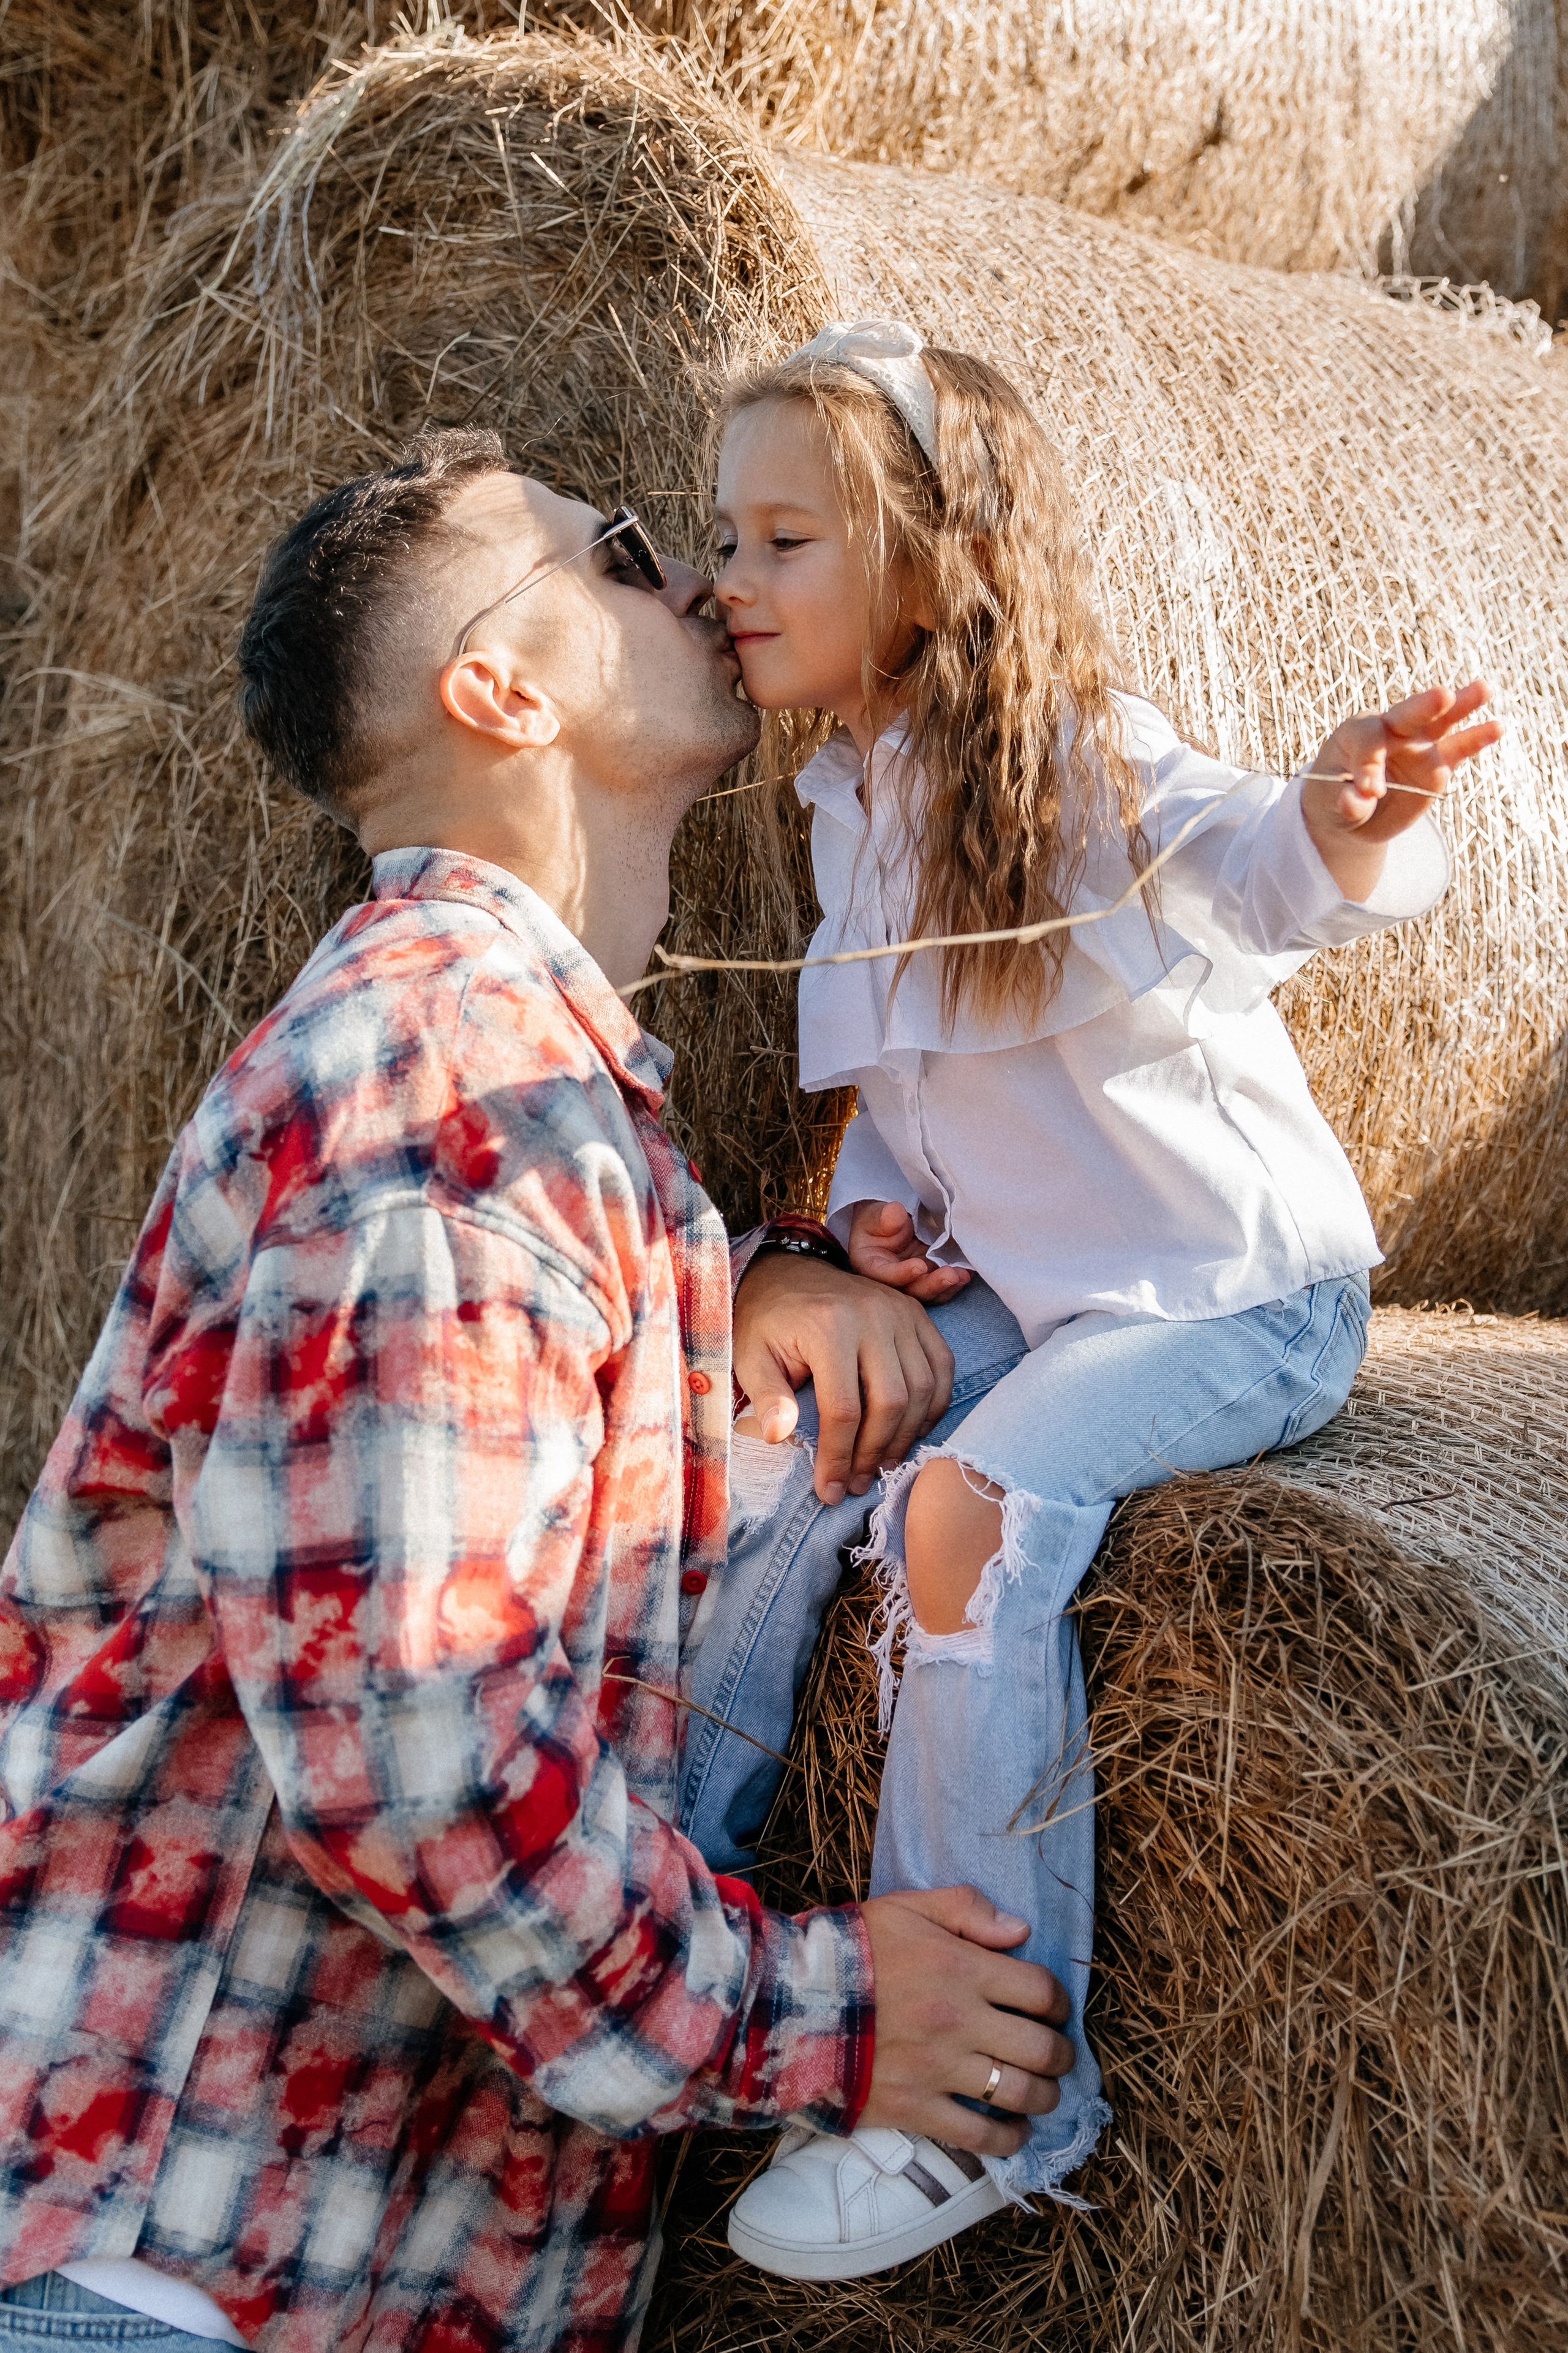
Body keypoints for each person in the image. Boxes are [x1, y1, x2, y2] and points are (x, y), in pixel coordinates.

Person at [0, 427, 1082, 2353]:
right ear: (497, 690)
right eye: (621, 553)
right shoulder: (442, 1089)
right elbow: (427, 1755)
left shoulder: (545, 1120)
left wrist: (738, 1278)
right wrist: (825, 2019)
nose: (697, 582)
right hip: (178, 2286)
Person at [696, 319, 1501, 2279]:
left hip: (1230, 1298)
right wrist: (876, 1230)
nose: (729, 580)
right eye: (725, 537)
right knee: (788, 1443)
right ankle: (675, 1893)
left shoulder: (1068, 757)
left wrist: (1343, 816)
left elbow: (1244, 862)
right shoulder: (844, 804)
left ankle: (980, 2092)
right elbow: (908, 1094)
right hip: (1048, 1291)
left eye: (784, 541)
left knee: (972, 1512)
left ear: (934, 558)